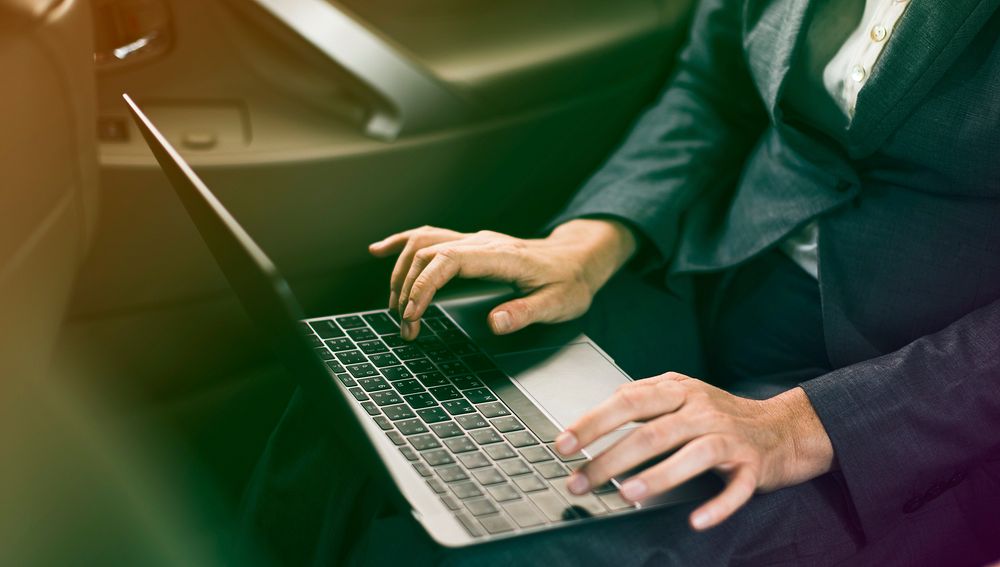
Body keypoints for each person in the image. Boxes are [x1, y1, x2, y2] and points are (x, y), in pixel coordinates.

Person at [242, 0, 1000, 564]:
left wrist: (801, 424)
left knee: (526, 555)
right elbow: (715, 86)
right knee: (361, 401)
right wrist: (583, 247)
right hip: (713, 271)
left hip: (906, 392)